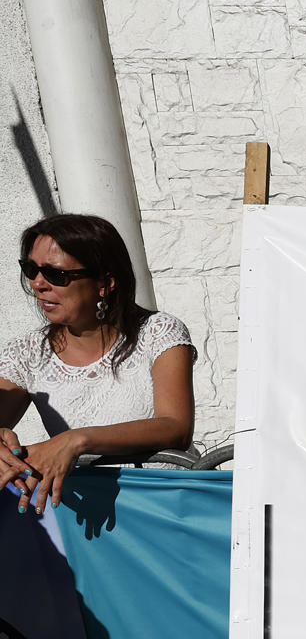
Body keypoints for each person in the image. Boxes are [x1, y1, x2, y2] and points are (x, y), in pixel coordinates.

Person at [0, 214, 194, 514]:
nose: (38, 284)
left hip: (167, 509)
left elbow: (176, 426)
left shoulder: (158, 331)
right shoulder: (26, 352)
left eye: (55, 274)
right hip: (88, 519)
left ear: (105, 282)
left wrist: (77, 440)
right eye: (31, 269)